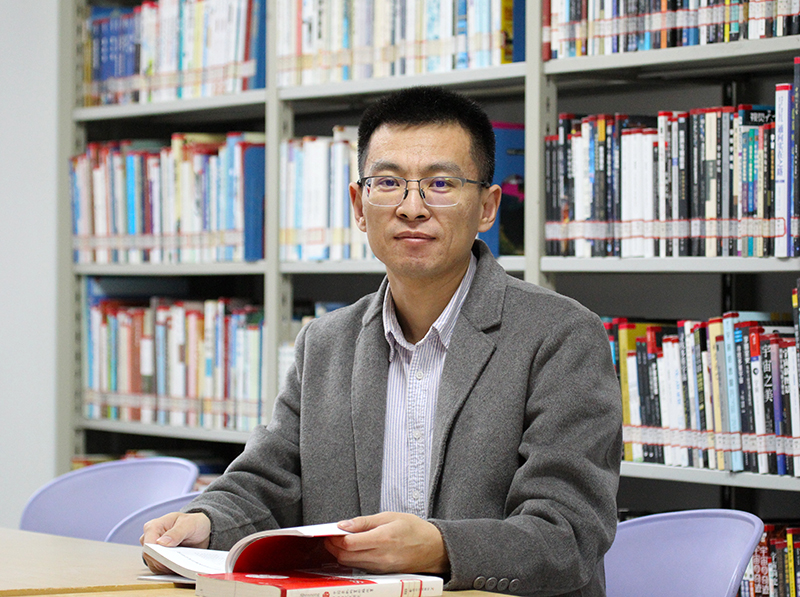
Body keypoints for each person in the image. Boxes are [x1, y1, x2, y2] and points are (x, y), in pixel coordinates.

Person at [142, 86, 622, 597]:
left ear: (486, 207)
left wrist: (441, 548)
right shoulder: (325, 343)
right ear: (358, 204)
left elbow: (568, 532)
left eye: (440, 184)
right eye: (388, 183)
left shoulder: (561, 336)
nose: (412, 208)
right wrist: (205, 521)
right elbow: (268, 482)